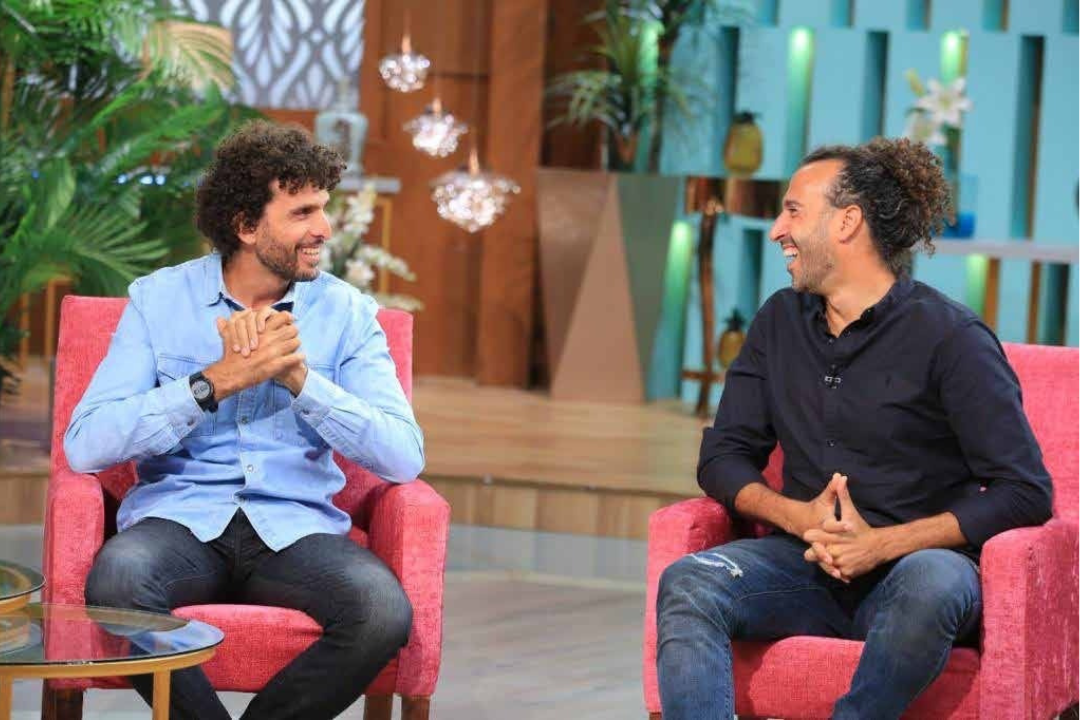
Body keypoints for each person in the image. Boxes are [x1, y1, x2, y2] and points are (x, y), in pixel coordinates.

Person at [655, 138, 1053, 719]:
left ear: (847, 222)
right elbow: (723, 456)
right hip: (804, 565)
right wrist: (797, 516)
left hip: (917, 570)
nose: (777, 230)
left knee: (932, 583)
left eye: (793, 211)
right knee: (689, 583)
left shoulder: (952, 338)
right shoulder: (778, 322)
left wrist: (881, 544)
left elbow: (1025, 491)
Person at [64, 120, 425, 720]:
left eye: (323, 207)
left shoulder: (348, 313)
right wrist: (215, 382)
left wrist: (299, 380)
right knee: (119, 582)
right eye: (303, 212)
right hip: (179, 522)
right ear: (246, 226)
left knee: (381, 611)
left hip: (297, 531)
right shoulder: (159, 300)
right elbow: (85, 444)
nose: (324, 228)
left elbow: (403, 457)